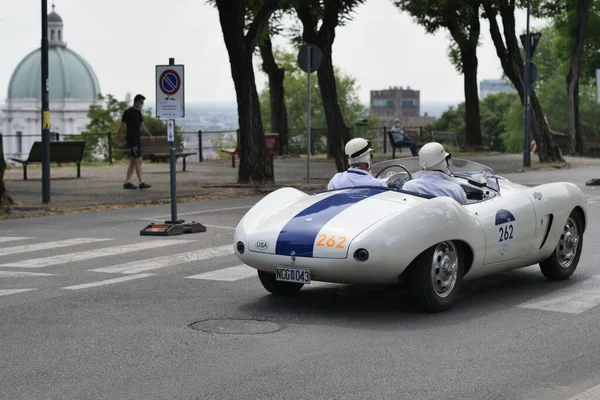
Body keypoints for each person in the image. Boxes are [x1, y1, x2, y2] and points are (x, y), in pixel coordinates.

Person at [401, 142, 467, 205]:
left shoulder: (408, 186)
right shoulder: (455, 190)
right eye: (446, 160)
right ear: (443, 163)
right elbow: (464, 208)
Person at [115, 94, 155, 189]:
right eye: (141, 102)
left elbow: (142, 125)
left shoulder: (138, 113)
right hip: (132, 138)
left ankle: (127, 182)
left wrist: (150, 134)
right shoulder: (128, 112)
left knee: (133, 160)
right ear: (137, 102)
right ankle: (141, 182)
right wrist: (117, 138)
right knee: (138, 159)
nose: (142, 104)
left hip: (137, 137)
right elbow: (122, 126)